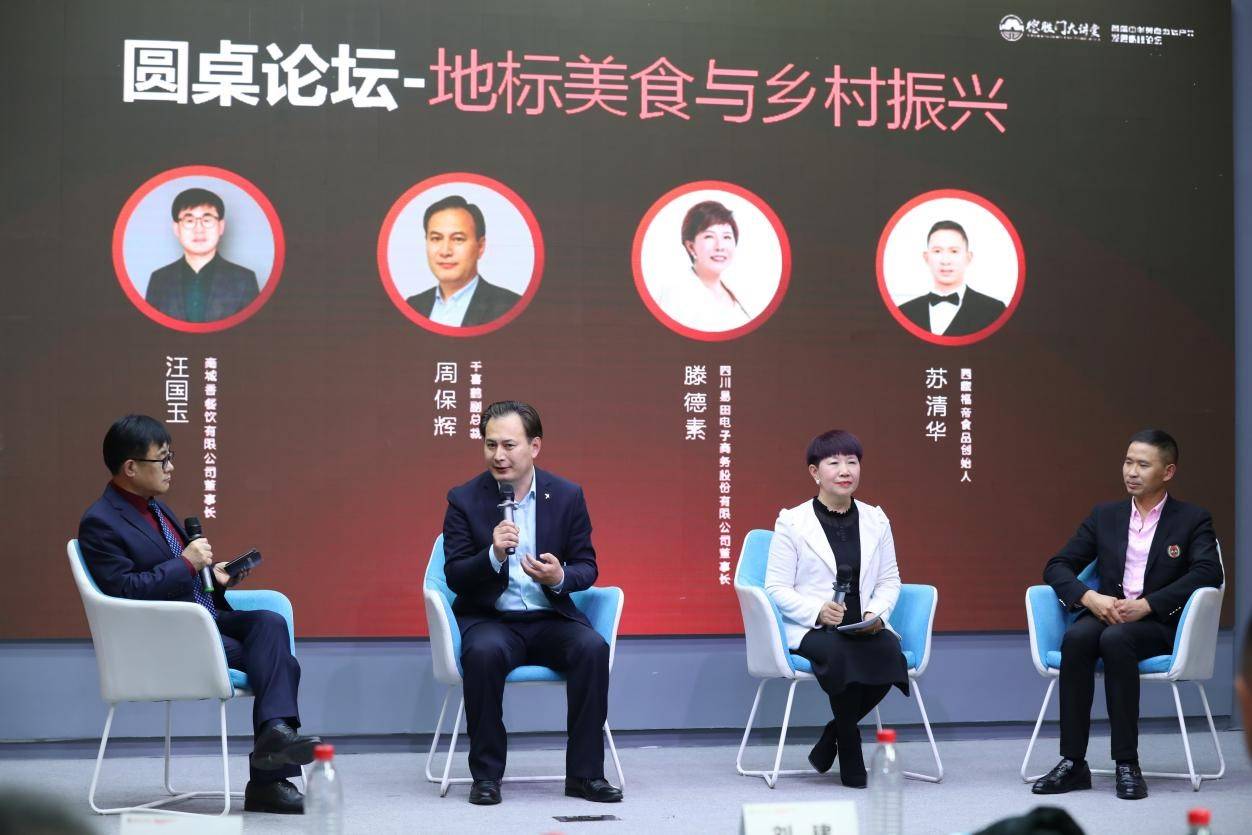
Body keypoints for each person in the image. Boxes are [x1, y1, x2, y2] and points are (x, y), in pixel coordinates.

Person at [78, 415, 320, 814]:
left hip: (202, 617)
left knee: (269, 623)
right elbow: (125, 590)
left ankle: (274, 738)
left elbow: (179, 574)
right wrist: (187, 564)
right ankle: (269, 778)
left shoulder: (157, 509)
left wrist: (214, 577)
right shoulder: (100, 522)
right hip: (168, 635)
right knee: (280, 663)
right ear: (131, 467)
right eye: (163, 459)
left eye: (171, 457)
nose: (171, 467)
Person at [441, 400, 620, 806]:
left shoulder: (567, 495)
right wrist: (492, 555)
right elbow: (455, 574)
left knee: (592, 649)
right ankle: (486, 777)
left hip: (549, 616)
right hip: (491, 620)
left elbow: (587, 566)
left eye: (509, 445)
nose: (498, 456)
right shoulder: (464, 499)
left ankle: (585, 775)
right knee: (483, 654)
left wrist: (559, 577)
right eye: (490, 445)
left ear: (534, 446)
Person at [1033, 429, 1222, 800]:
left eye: (1143, 465)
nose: (1131, 472)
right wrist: (1090, 598)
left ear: (1167, 471)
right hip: (1107, 612)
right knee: (1077, 638)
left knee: (1116, 640)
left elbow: (1208, 571)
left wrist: (1149, 604)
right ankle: (1072, 762)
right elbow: (1057, 566)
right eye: (1127, 462)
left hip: (1157, 622)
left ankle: (1126, 763)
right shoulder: (1105, 516)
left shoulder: (1192, 519)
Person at [764, 430, 909, 788]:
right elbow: (776, 588)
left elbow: (890, 579)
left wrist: (876, 613)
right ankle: (850, 747)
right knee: (840, 654)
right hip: (814, 629)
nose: (845, 471)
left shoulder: (876, 519)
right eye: (834, 463)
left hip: (863, 624)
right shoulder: (792, 522)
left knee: (890, 654)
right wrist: (817, 611)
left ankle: (834, 733)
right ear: (815, 472)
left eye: (852, 462)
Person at [146, 187, 260, 322]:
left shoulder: (244, 280)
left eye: (207, 220)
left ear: (221, 227)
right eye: (189, 221)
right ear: (176, 229)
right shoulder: (159, 280)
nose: (199, 229)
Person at [405, 195, 522, 326]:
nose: (445, 251)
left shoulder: (511, 307)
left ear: (480, 246)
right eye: (436, 238)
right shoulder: (412, 306)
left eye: (458, 239)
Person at [653, 200, 753, 331]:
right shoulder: (675, 295)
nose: (720, 246)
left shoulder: (741, 292)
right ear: (691, 246)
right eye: (709, 237)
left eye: (727, 237)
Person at [897, 220, 1006, 337]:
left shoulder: (995, 310)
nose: (945, 261)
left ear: (968, 257)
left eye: (954, 251)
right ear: (926, 257)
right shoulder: (903, 313)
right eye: (937, 251)